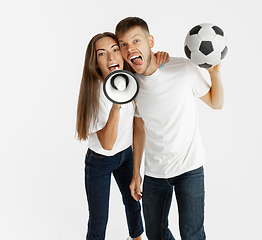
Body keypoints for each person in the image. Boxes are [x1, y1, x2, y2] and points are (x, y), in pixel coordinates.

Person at [115, 17, 224, 240]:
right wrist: (136, 172)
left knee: (191, 235)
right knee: (156, 235)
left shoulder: (182, 68)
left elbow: (216, 103)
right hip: (155, 173)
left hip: (189, 168)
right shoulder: (132, 86)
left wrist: (215, 73)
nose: (130, 48)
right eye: (124, 44)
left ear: (150, 41)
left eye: (136, 40)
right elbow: (139, 126)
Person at [76, 32, 169, 240]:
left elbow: (151, 68)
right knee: (99, 218)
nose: (110, 57)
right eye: (102, 54)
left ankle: (136, 238)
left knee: (133, 203)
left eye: (115, 50)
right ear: (95, 62)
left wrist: (159, 57)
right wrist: (116, 105)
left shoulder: (130, 81)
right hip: (100, 160)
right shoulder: (93, 93)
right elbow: (107, 144)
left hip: (126, 155)